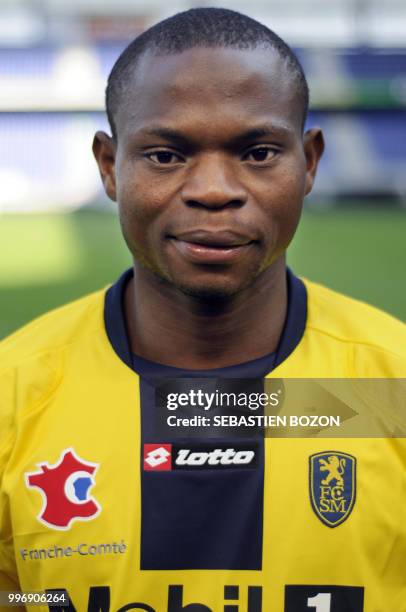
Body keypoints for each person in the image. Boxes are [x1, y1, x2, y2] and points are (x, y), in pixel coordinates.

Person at [1, 7, 405, 612]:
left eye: (259, 152)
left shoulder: (390, 384)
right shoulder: (14, 389)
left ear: (311, 162)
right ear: (110, 167)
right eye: (166, 155)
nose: (214, 189)